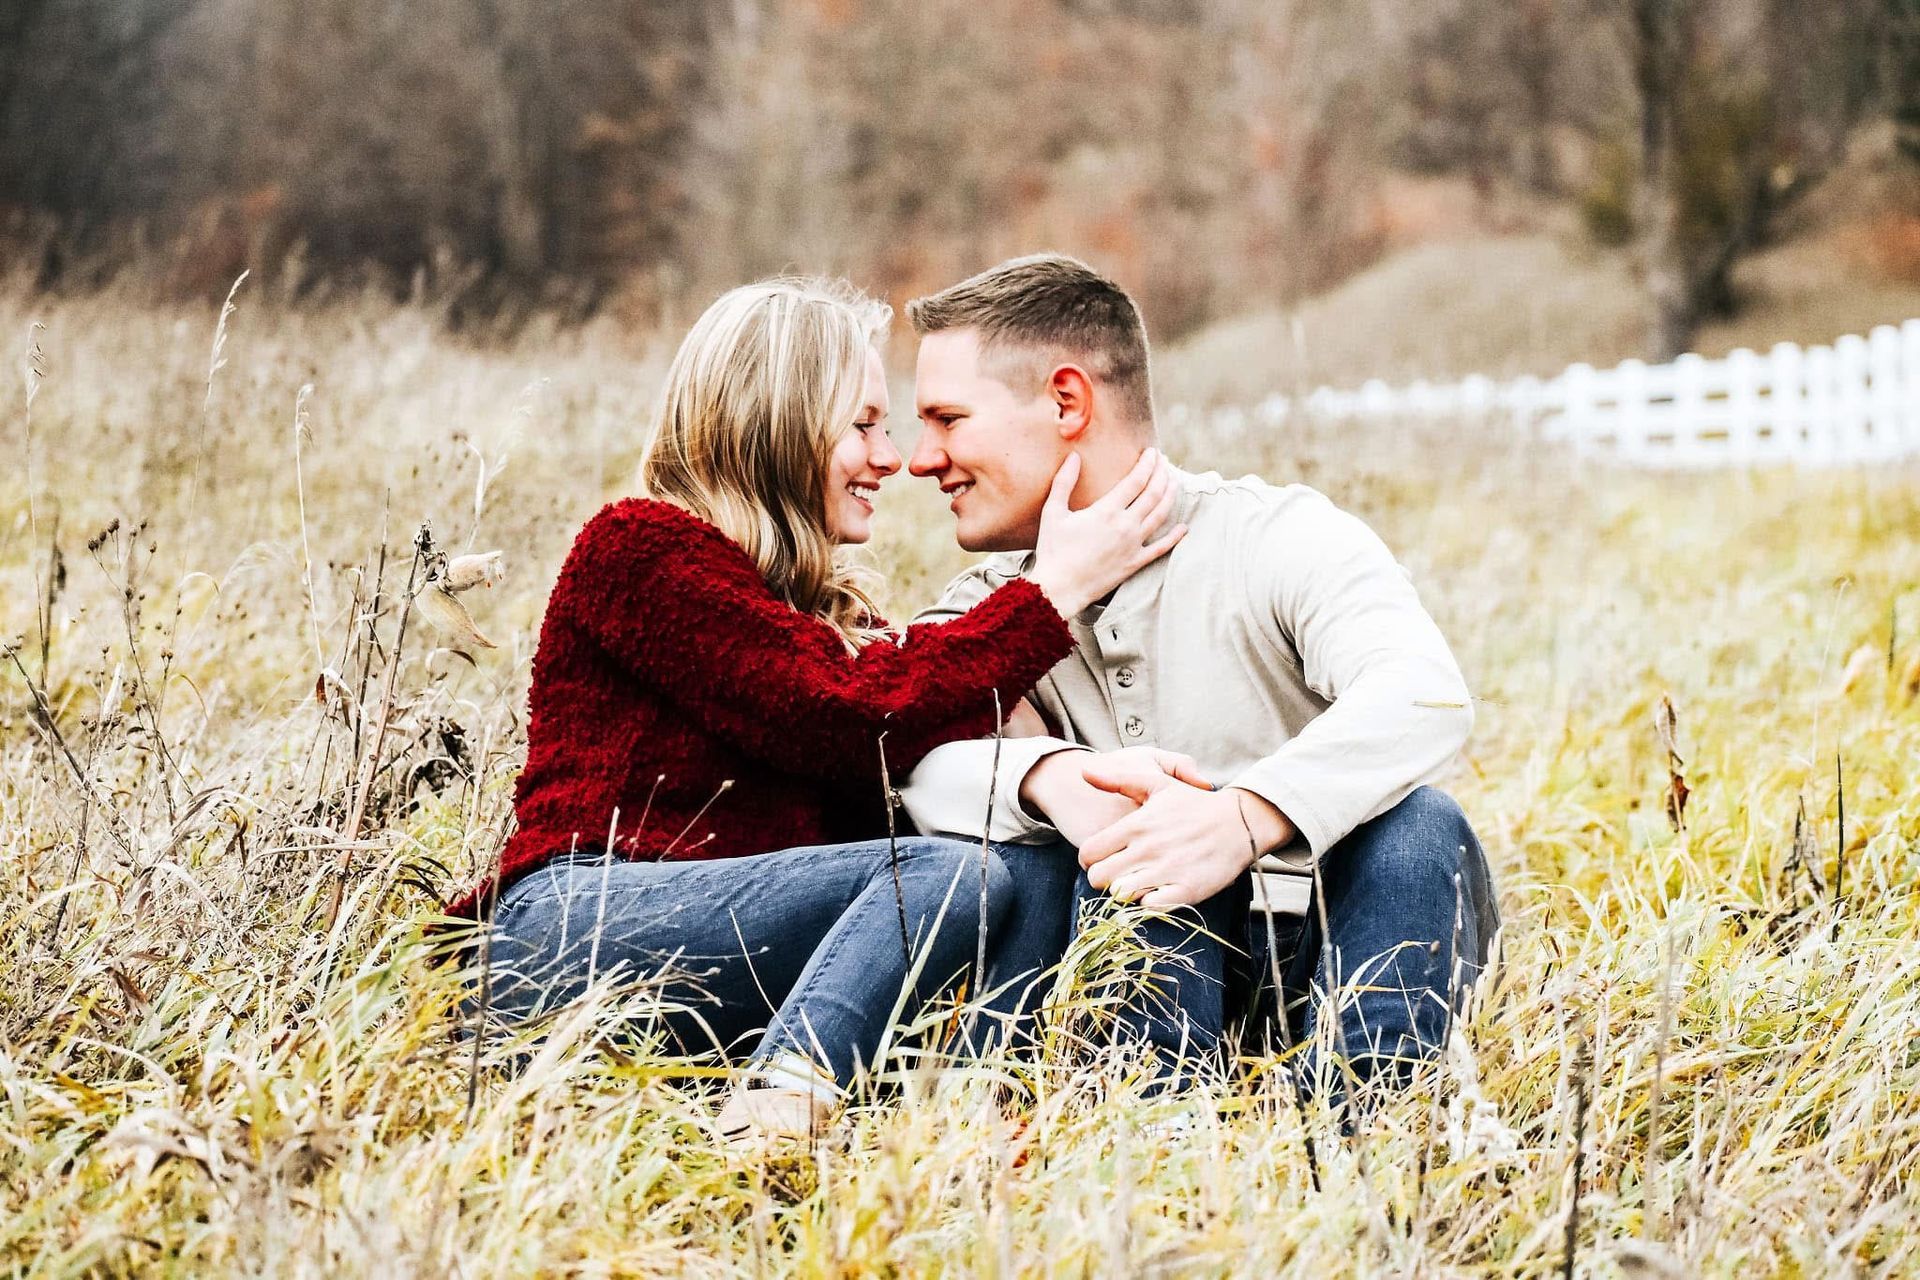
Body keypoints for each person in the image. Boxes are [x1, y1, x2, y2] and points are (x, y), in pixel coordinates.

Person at [443, 276, 1184, 1140]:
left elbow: (885, 742)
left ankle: (972, 1124)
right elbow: (840, 718)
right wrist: (1049, 595)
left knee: (1024, 865)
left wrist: (1030, 760)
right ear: (780, 421)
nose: (891, 458)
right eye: (862, 426)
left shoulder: (832, 615)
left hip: (743, 962)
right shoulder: (640, 548)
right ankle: (773, 1114)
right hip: (570, 934)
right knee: (936, 881)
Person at [894, 254, 1500, 1099]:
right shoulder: (988, 611)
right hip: (1142, 961)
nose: (921, 460)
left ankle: (1381, 1134)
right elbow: (905, 752)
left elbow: (1423, 691)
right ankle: (1153, 1149)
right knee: (1138, 856)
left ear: (1068, 401)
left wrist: (1243, 820)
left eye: (947, 420)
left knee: (1422, 824)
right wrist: (1054, 777)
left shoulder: (1278, 537)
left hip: (1335, 939)